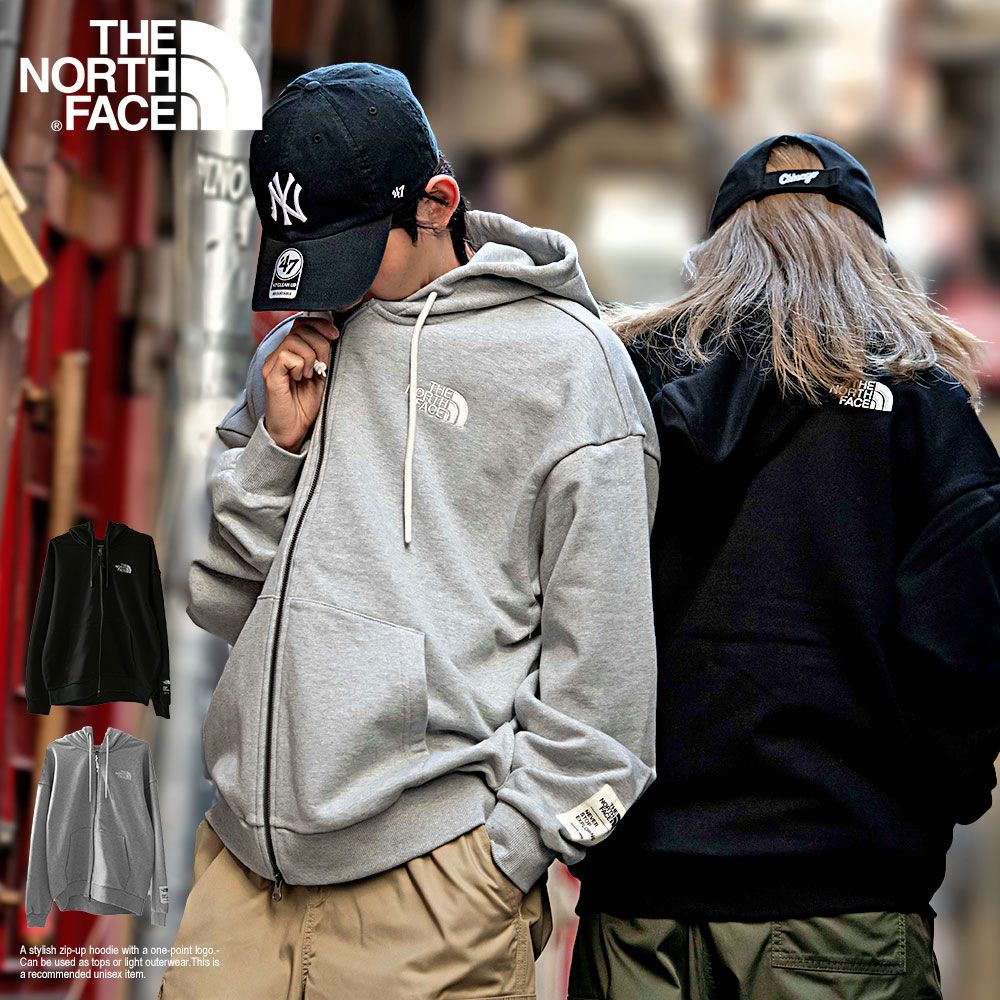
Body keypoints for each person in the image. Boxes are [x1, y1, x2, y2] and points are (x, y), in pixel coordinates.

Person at [170, 63, 660, 999]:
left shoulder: (568, 372)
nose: (328, 289)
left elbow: (608, 688)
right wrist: (274, 451)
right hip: (239, 881)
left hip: (433, 897)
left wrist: (508, 857)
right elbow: (219, 598)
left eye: (350, 254)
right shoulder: (301, 352)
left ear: (437, 204)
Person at [568, 133, 1000, 1000]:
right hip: (843, 910)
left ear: (718, 251)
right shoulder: (926, 411)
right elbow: (966, 654)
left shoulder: (626, 385)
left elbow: (559, 606)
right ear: (871, 254)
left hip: (639, 909)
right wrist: (916, 808)